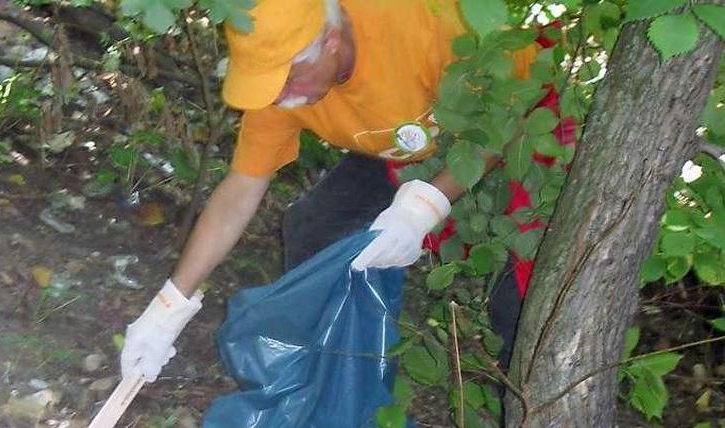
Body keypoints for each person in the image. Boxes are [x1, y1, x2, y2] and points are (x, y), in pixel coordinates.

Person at [119, 0, 569, 384]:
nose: (281, 98)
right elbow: (240, 189)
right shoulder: (284, 93)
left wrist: (423, 207)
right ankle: (327, 381)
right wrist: (168, 308)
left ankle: (536, 400)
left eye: (288, 80)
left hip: (520, 123)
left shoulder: (420, 24)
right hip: (404, 144)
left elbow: (498, 122)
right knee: (314, 229)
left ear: (330, 41)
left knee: (523, 299)